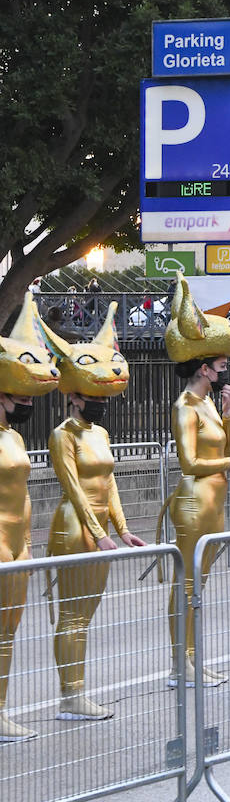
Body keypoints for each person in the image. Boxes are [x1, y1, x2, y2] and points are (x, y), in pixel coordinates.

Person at [41, 303, 147, 720]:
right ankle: (70, 696)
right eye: (93, 395)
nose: (100, 401)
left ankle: (77, 691)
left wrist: (120, 529)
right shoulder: (61, 435)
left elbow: (110, 483)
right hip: (74, 526)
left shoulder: (100, 432)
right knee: (72, 615)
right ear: (73, 395)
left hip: (100, 526)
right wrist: (96, 531)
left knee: (86, 614)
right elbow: (73, 486)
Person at [163, 273, 230, 686]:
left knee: (199, 590)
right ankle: (180, 665)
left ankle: (193, 659)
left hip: (214, 503)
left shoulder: (211, 402)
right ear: (204, 367)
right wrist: (225, 465)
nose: (225, 369)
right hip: (194, 501)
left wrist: (229, 412)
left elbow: (226, 445)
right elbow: (190, 461)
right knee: (187, 586)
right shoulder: (185, 407)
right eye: (221, 364)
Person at [0, 294, 59, 741]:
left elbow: (23, 492)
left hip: (18, 543)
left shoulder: (14, 438)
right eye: (18, 394)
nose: (25, 401)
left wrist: (30, 541)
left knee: (8, 632)